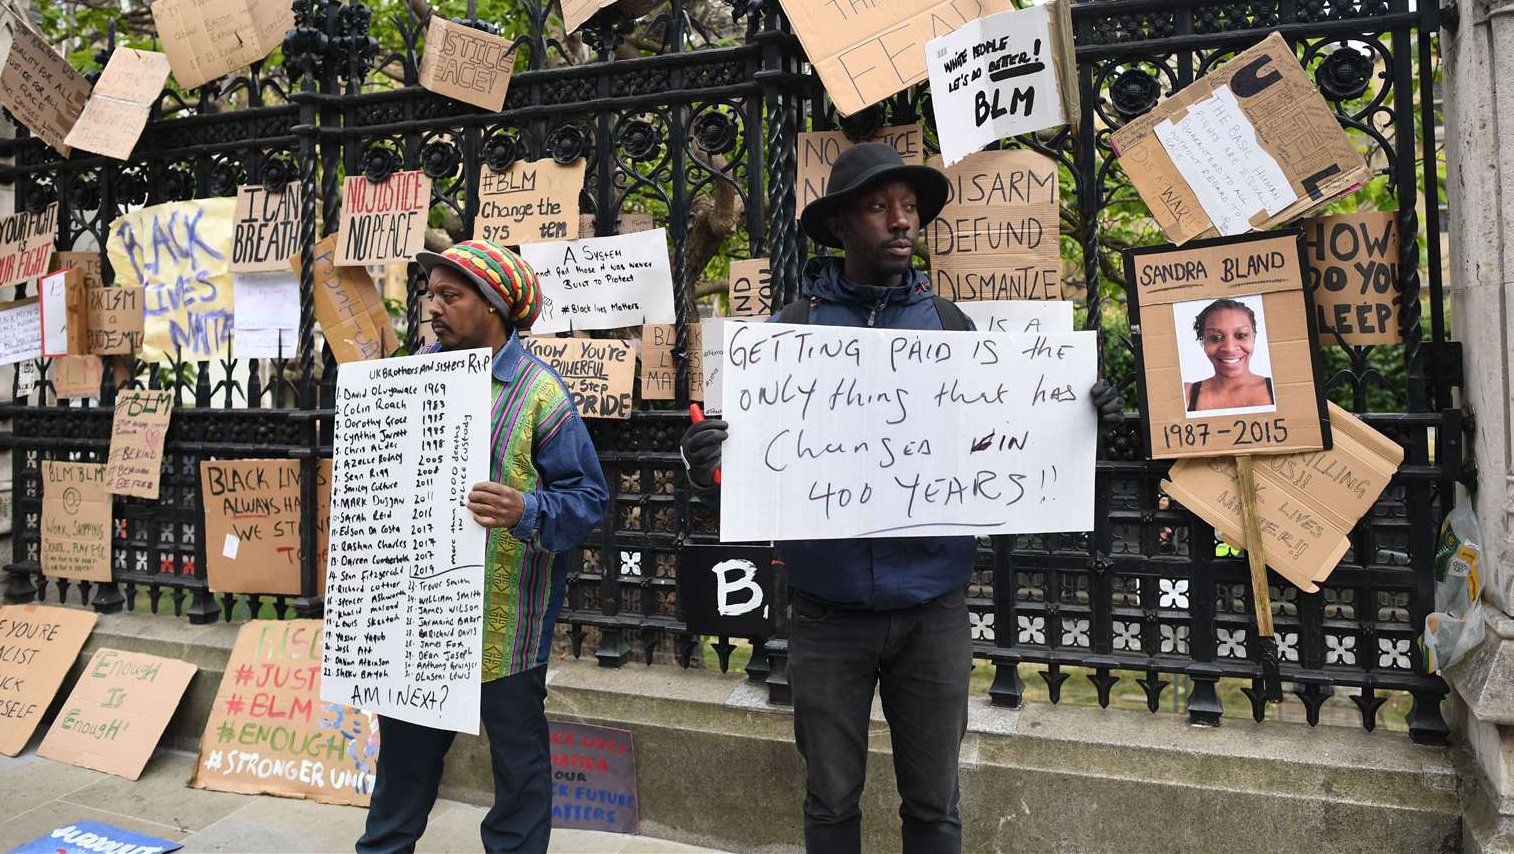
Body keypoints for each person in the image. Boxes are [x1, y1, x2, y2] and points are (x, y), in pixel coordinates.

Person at [679, 143, 1124, 853]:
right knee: (828, 802)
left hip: (934, 612)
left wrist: (1080, 415)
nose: (900, 222)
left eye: (910, 208)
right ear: (840, 228)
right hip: (827, 614)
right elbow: (750, 471)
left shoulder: (952, 327)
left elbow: (1006, 438)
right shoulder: (790, 331)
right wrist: (710, 466)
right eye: (879, 207)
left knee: (935, 806)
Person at [358, 239, 609, 854]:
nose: (433, 307)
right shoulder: (410, 377)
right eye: (430, 294)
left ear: (493, 308)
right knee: (403, 768)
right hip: (418, 618)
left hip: (506, 626)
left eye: (450, 295)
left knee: (519, 768)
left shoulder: (540, 394)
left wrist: (526, 509)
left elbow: (588, 501)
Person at [1183, 297, 1274, 413]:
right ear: (1203, 342)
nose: (1230, 348)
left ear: (1253, 338)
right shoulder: (1186, 395)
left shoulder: (1280, 389)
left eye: (1240, 335)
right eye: (1215, 338)